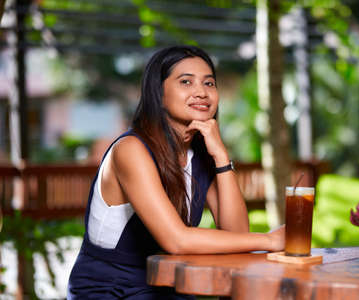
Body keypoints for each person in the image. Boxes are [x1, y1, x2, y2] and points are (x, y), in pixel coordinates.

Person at [67, 45, 284, 299]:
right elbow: (176, 241)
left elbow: (237, 235)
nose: (201, 92)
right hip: (111, 288)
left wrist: (222, 157)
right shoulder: (131, 150)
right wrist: (269, 241)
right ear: (158, 94)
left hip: (170, 285)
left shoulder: (200, 154)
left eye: (209, 83)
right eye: (186, 82)